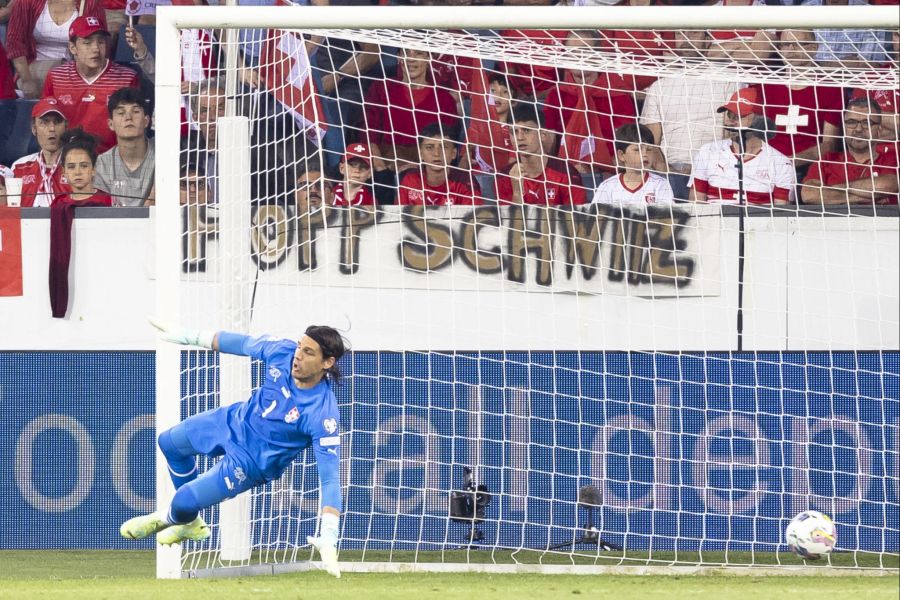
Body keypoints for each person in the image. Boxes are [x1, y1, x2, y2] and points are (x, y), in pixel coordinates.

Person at [120, 320, 347, 579]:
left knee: (183, 500)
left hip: (250, 462)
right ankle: (191, 522)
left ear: (327, 363)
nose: (298, 355)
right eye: (300, 346)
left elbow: (329, 478)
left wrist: (329, 535)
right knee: (169, 443)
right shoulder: (281, 352)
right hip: (233, 421)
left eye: (308, 352)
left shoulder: (323, 415)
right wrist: (189, 335)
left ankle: (174, 518)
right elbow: (239, 343)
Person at [639, 30, 741, 200]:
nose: (685, 39)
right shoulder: (659, 87)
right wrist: (668, 171)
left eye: (693, 33)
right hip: (670, 172)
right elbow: (651, 143)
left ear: (708, 40)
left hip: (715, 170)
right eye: (680, 34)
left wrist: (706, 168)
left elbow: (730, 134)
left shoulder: (727, 81)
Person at [42, 16, 140, 153]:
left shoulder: (126, 78)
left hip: (111, 158)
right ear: (72, 47)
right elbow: (46, 122)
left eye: (101, 42)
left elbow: (133, 127)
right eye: (87, 43)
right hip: (68, 158)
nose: (96, 49)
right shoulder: (56, 77)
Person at [689, 88, 796, 205]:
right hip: (713, 221)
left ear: (759, 120)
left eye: (739, 116)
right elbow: (696, 206)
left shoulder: (781, 163)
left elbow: (781, 216)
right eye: (729, 114)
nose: (731, 121)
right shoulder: (708, 152)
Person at [751, 29, 843, 165]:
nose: (791, 49)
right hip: (765, 166)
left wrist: (788, 163)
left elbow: (829, 144)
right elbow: (754, 136)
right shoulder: (764, 86)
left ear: (814, 48)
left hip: (810, 167)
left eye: (798, 43)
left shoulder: (831, 89)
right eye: (786, 44)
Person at [362, 48, 461, 172]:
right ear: (398, 57)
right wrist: (380, 166)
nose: (411, 59)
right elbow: (369, 132)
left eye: (419, 53)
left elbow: (447, 142)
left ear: (429, 58)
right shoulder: (380, 88)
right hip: (387, 161)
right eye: (406, 53)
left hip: (428, 165)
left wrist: (422, 168)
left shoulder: (444, 98)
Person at [49, 128, 112, 318]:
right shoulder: (58, 203)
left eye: (84, 166)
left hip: (100, 272)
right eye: (72, 166)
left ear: (94, 169)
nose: (77, 172)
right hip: (68, 273)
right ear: (64, 171)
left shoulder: (106, 200)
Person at [801, 97, 898, 205]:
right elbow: (809, 194)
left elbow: (889, 184)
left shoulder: (893, 160)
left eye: (866, 122)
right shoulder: (827, 161)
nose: (858, 129)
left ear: (879, 130)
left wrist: (829, 190)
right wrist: (863, 197)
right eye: (851, 122)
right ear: (844, 127)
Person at [6, 0, 107, 98]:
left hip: (73, 67)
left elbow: (99, 41)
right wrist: (27, 80)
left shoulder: (90, 3)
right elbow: (15, 42)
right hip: (32, 67)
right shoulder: (26, 2)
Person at [495, 103, 585, 206]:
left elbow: (577, 219)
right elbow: (508, 221)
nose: (519, 137)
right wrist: (517, 192)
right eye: (513, 132)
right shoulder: (504, 177)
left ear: (543, 135)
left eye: (526, 130)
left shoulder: (566, 175)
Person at [94, 87, 155, 206]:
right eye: (121, 113)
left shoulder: (162, 154)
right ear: (111, 124)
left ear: (146, 121)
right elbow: (102, 211)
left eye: (136, 111)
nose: (128, 118)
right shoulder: (102, 163)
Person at [398, 123, 483, 206]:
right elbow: (398, 217)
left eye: (444, 147)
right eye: (429, 147)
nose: (436, 153)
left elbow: (474, 218)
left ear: (453, 153)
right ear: (421, 154)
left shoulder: (466, 182)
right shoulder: (410, 180)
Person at [591, 123, 674, 206]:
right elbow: (597, 216)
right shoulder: (607, 187)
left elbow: (667, 217)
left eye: (649, 149)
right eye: (637, 150)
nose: (645, 154)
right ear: (621, 155)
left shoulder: (661, 184)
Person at [11, 97, 71, 207]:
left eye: (57, 122)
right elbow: (11, 210)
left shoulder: (77, 165)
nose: (52, 128)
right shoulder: (19, 167)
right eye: (45, 122)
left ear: (66, 127)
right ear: (34, 129)